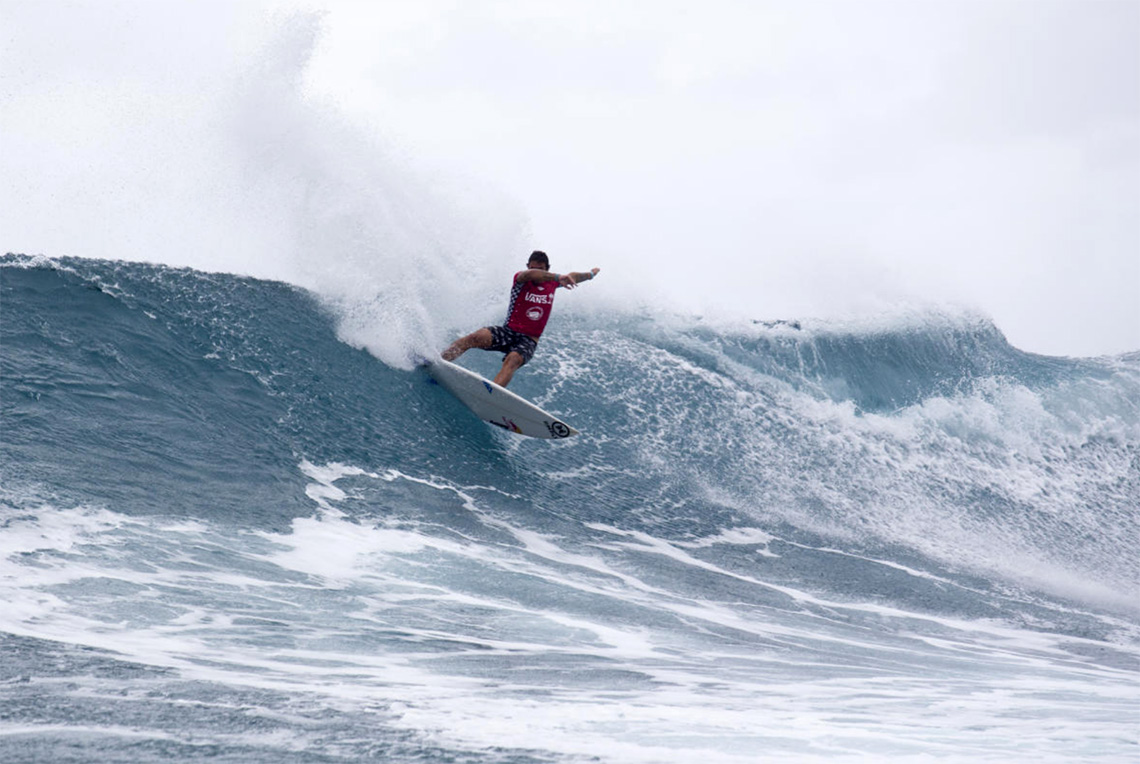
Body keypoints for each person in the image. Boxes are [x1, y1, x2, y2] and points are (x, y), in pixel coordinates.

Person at [442, 251, 600, 388]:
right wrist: (558, 276)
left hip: (529, 340)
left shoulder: (552, 283)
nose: (535, 271)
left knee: (513, 359)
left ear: (547, 269)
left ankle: (490, 394)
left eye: (541, 269)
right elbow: (531, 274)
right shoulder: (521, 279)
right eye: (532, 267)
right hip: (508, 332)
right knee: (476, 337)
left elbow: (574, 276)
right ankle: (440, 362)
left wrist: (590, 275)